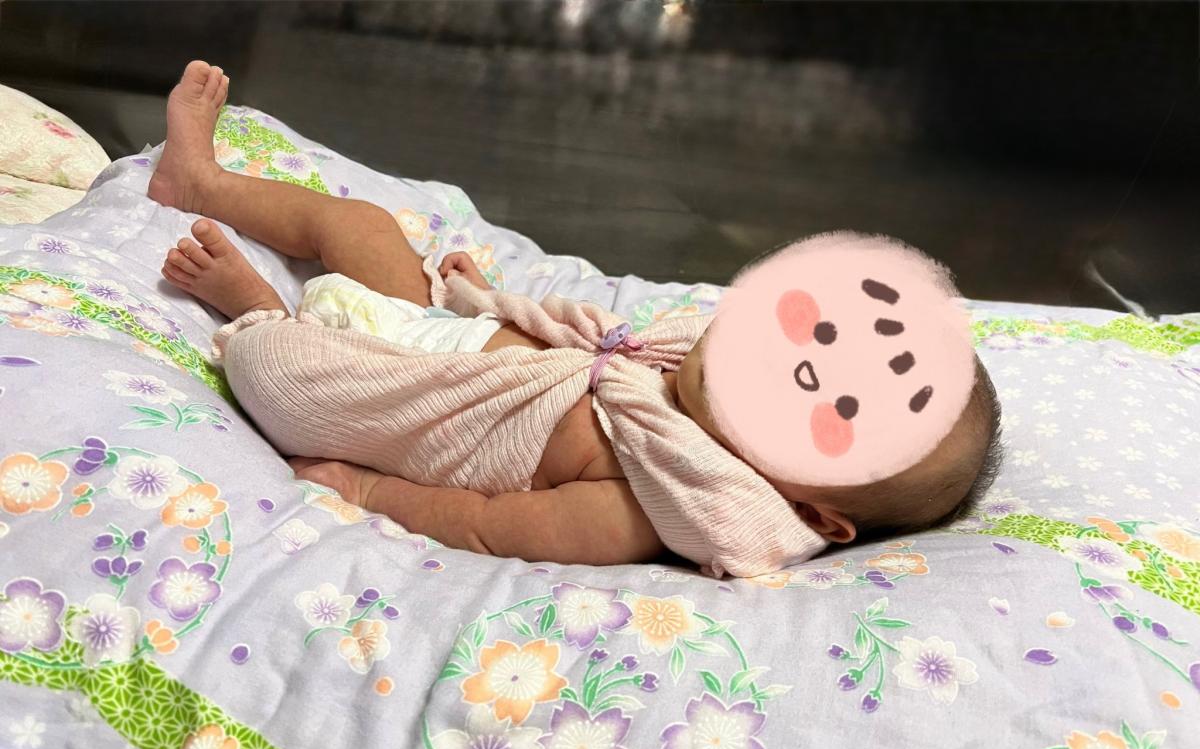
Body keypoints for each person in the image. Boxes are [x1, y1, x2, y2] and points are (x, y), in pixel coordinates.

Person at [149, 61, 1002, 573]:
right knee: (365, 227)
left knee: (279, 377)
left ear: (815, 514)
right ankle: (201, 181)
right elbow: (574, 338)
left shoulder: (643, 507)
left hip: (387, 397)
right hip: (434, 331)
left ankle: (256, 312)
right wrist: (482, 303)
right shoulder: (671, 374)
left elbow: (489, 526)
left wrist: (370, 491)